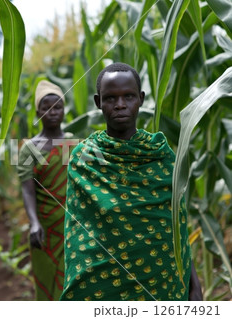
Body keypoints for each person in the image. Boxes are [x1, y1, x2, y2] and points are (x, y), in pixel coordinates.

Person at [60, 62, 202, 301]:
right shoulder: (84, 157)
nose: (120, 105)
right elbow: (79, 238)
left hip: (161, 281)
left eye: (128, 96)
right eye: (110, 98)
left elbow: (175, 225)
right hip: (102, 285)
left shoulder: (160, 153)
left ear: (141, 99)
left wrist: (193, 283)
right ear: (98, 102)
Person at [18, 80, 75, 300]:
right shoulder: (29, 149)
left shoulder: (73, 144)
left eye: (58, 107)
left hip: (72, 229)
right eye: (46, 107)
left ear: (64, 110)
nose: (53, 112)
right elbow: (28, 190)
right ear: (37, 112)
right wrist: (34, 223)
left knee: (71, 284)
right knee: (47, 285)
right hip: (44, 230)